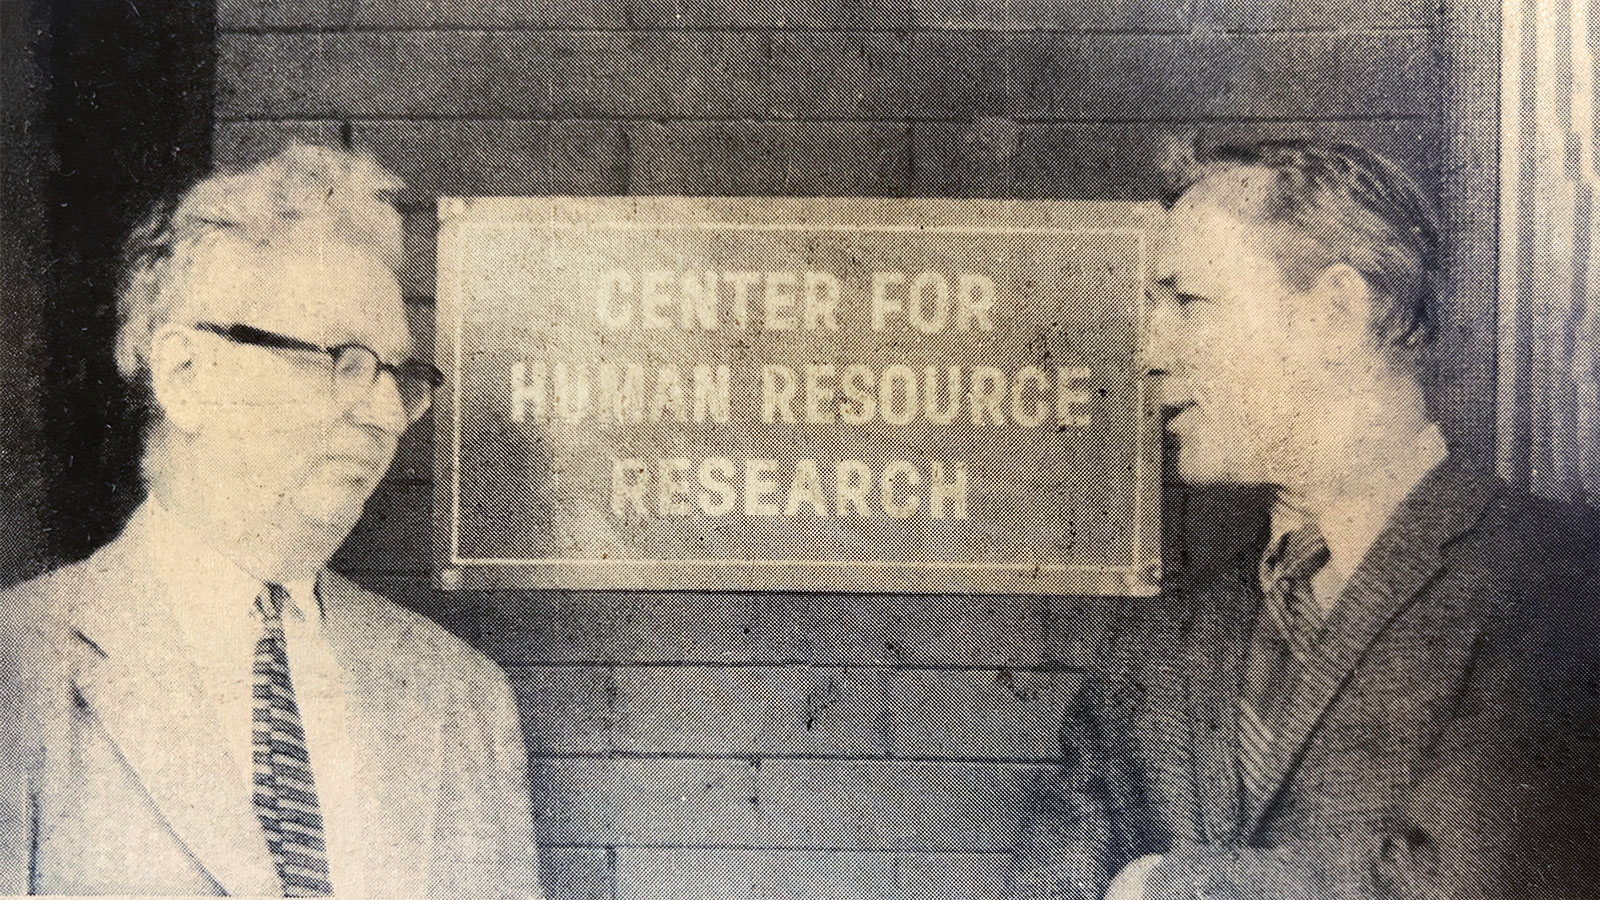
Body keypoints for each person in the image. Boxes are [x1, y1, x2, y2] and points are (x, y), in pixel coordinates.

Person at [1019, 141, 1600, 900]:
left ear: (1335, 313)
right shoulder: (1154, 652)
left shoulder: (1562, 585)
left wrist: (1159, 885)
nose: (1149, 351)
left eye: (1185, 301)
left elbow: (1461, 881)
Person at [0, 144, 543, 898]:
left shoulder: (459, 700)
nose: (388, 414)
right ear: (187, 376)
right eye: (344, 361)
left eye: (400, 376)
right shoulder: (20, 666)